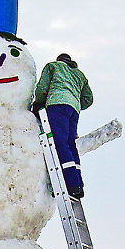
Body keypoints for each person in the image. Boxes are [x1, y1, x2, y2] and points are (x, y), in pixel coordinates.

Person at [32, 53, 93, 198]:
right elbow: (88, 99)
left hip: (57, 104)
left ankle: (70, 183)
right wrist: (75, 101)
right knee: (71, 145)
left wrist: (38, 105)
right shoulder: (79, 75)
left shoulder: (54, 66)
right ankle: (78, 184)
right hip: (73, 110)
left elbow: (42, 88)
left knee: (59, 143)